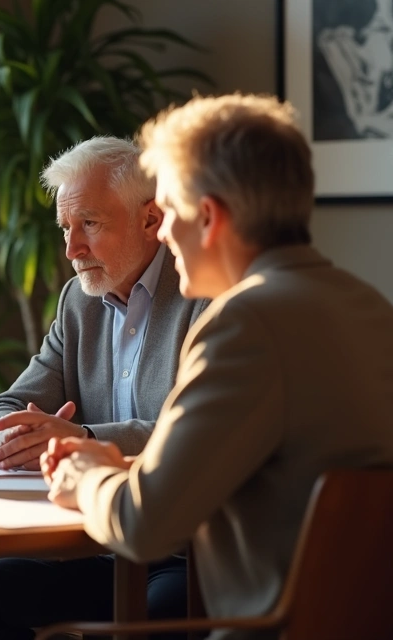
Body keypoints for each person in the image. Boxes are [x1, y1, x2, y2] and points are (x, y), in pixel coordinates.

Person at [43, 94, 393, 639]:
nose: (162, 234)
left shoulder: (244, 323)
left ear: (208, 218)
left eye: (171, 212)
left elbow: (144, 526)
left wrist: (87, 474)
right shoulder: (371, 308)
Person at [0, 137, 207, 639]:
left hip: (186, 550)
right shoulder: (79, 302)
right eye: (66, 228)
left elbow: (190, 432)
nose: (71, 249)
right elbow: (4, 407)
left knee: (157, 615)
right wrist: (11, 435)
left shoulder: (200, 290)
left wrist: (79, 438)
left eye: (89, 224)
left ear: (150, 220)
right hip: (103, 543)